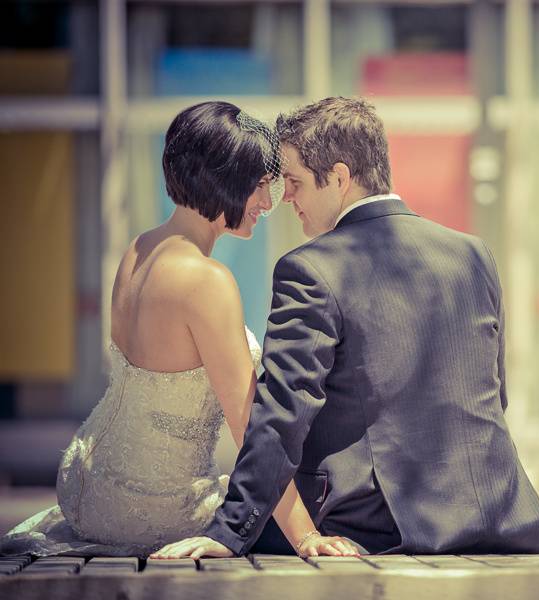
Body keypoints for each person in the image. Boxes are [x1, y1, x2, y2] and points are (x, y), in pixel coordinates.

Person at [154, 97, 539, 559]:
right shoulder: (473, 254)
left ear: (339, 178)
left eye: (296, 183)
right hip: (499, 515)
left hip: (375, 527)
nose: (288, 200)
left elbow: (283, 410)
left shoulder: (310, 269)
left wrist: (229, 530)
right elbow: (492, 395)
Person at [0, 101, 357, 558]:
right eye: (260, 187)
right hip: (150, 505)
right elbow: (249, 424)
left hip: (83, 483)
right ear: (225, 181)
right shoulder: (206, 281)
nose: (268, 204)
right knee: (332, 513)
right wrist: (307, 537)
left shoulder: (139, 248)